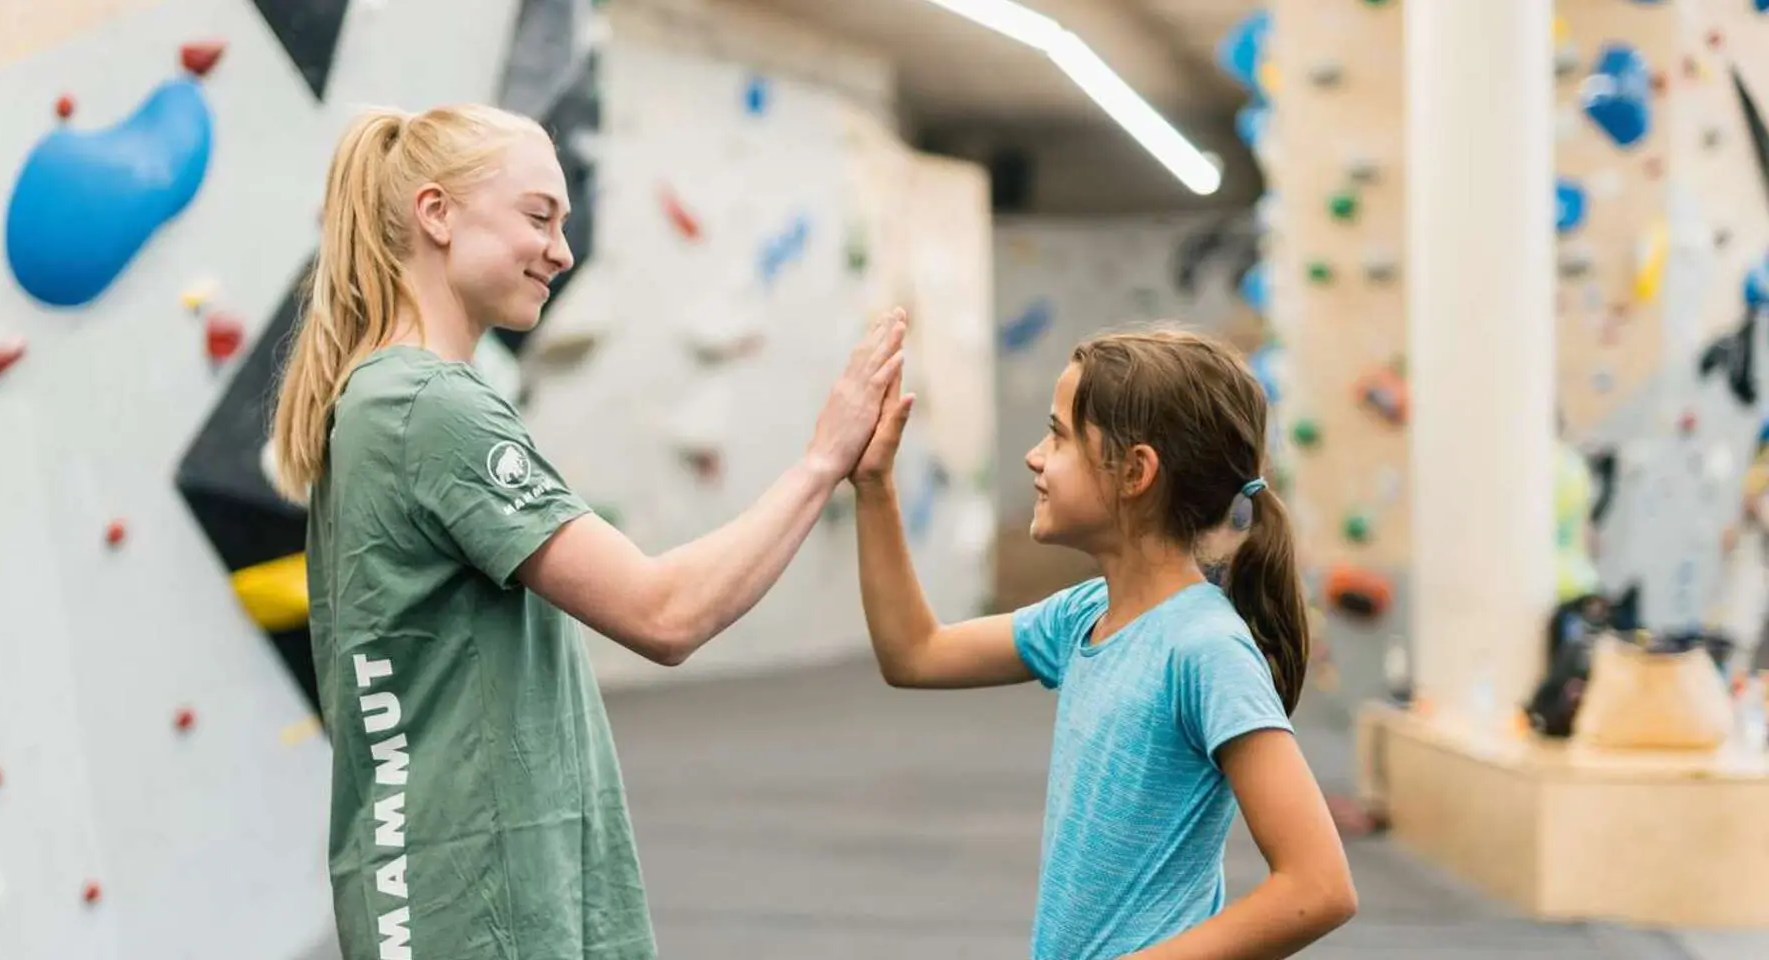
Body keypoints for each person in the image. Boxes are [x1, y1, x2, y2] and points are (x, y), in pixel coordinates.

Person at [267, 103, 906, 960]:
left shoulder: (394, 402)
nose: (562, 252)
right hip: (470, 907)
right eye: (538, 217)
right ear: (437, 214)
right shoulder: (428, 407)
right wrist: (821, 462)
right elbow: (665, 614)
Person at [848, 327, 1356, 959]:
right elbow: (915, 652)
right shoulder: (1085, 615)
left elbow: (1319, 886)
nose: (1035, 457)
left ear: (1136, 472)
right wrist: (875, 488)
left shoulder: (1204, 649)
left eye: (1058, 436)